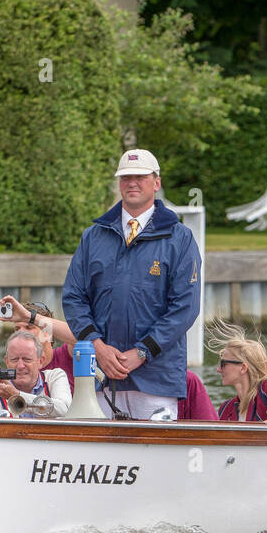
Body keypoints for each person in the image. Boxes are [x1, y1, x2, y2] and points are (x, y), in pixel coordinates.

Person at [62, 149, 202, 420]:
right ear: (119, 183)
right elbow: (73, 297)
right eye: (126, 177)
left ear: (156, 182)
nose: (132, 182)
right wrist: (97, 347)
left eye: (140, 176)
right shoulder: (93, 236)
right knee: (99, 460)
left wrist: (142, 352)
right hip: (100, 381)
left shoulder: (180, 238)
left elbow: (185, 308)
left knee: (155, 457)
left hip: (156, 380)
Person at [0, 330, 72, 418]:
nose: (20, 366)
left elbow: (64, 410)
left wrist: (16, 396)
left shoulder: (55, 377)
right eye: (15, 360)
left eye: (27, 359)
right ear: (6, 362)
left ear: (40, 361)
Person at [0, 297, 76, 391]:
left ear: (47, 333)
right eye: (17, 328)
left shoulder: (67, 355)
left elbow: (85, 338)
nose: (21, 332)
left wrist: (29, 317)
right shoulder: (16, 363)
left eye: (29, 327)